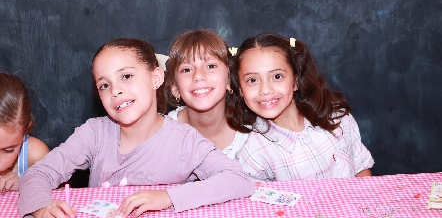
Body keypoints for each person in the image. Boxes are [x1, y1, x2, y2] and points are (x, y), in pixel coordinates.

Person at [18, 38, 255, 218]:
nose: (115, 90)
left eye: (126, 76)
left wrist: (168, 196)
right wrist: (40, 207)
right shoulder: (94, 133)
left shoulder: (184, 140)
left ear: (156, 78)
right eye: (104, 85)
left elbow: (238, 180)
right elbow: (37, 174)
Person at [229, 33, 374, 181]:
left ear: (296, 81)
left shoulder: (337, 117)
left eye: (277, 76)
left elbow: (361, 169)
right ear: (240, 89)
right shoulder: (253, 154)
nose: (265, 90)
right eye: (252, 80)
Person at [165, 29, 249, 160]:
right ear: (175, 89)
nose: (198, 76)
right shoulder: (163, 135)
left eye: (210, 66)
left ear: (229, 81)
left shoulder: (252, 137)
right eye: (186, 69)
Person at [0, 73, 49, 192]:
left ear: (25, 130)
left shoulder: (36, 156)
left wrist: (27, 186)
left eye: (8, 150)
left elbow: (63, 195)